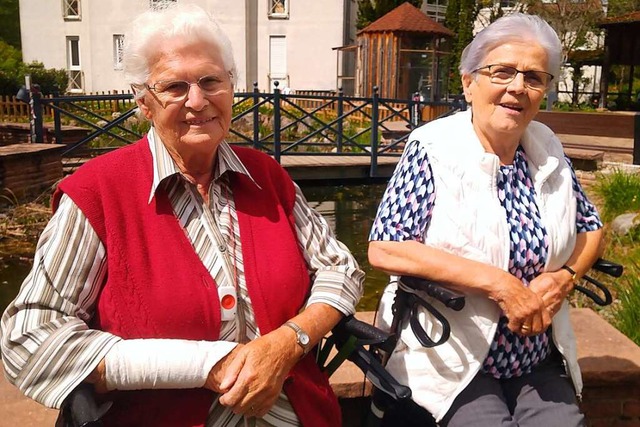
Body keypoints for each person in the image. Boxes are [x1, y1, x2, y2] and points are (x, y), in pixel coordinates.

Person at [1, 3, 364, 427]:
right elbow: (29, 338)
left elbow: (339, 267)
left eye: (211, 80)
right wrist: (207, 364)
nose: (198, 100)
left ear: (231, 87)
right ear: (144, 102)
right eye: (174, 86)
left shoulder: (267, 176)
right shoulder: (98, 192)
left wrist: (289, 341)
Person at [368, 13, 603, 427]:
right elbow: (387, 247)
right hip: (453, 354)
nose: (517, 86)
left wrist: (565, 276)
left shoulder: (547, 148)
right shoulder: (434, 148)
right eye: (502, 72)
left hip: (535, 355)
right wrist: (499, 284)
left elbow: (591, 226)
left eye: (533, 77)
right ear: (468, 83)